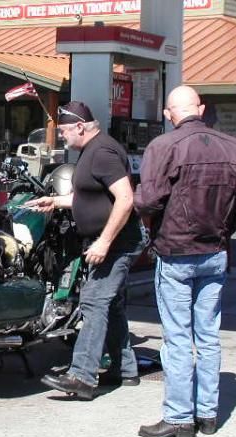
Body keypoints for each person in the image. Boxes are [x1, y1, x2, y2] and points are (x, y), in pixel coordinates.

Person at [135, 86, 236, 437]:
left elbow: (150, 200)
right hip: (214, 251)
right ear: (200, 108)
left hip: (176, 252)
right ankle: (207, 414)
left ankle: (179, 417)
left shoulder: (164, 146)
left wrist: (151, 226)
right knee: (208, 335)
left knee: (176, 337)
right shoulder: (232, 146)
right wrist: (221, 230)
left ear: (170, 113)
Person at [25, 101, 146, 400]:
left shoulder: (102, 152)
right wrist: (54, 201)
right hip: (109, 241)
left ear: (80, 126)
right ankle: (125, 369)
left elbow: (125, 199)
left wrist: (104, 242)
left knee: (93, 303)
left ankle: (82, 375)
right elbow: (90, 196)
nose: (62, 136)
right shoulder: (92, 151)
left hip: (117, 243)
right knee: (111, 305)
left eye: (64, 130)